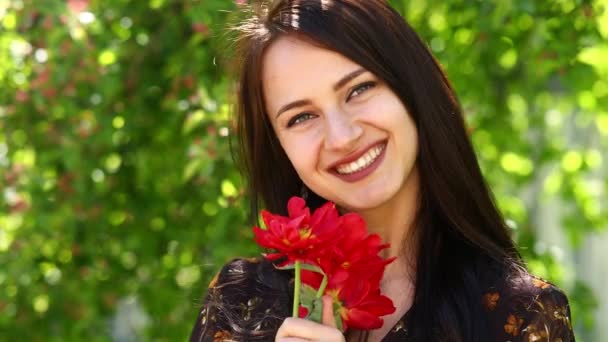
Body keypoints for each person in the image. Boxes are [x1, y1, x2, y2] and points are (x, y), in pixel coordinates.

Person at [189, 0, 575, 341]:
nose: (342, 137)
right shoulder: (240, 304)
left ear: (412, 89)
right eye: (302, 116)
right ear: (279, 147)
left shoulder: (520, 315)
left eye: (358, 89)